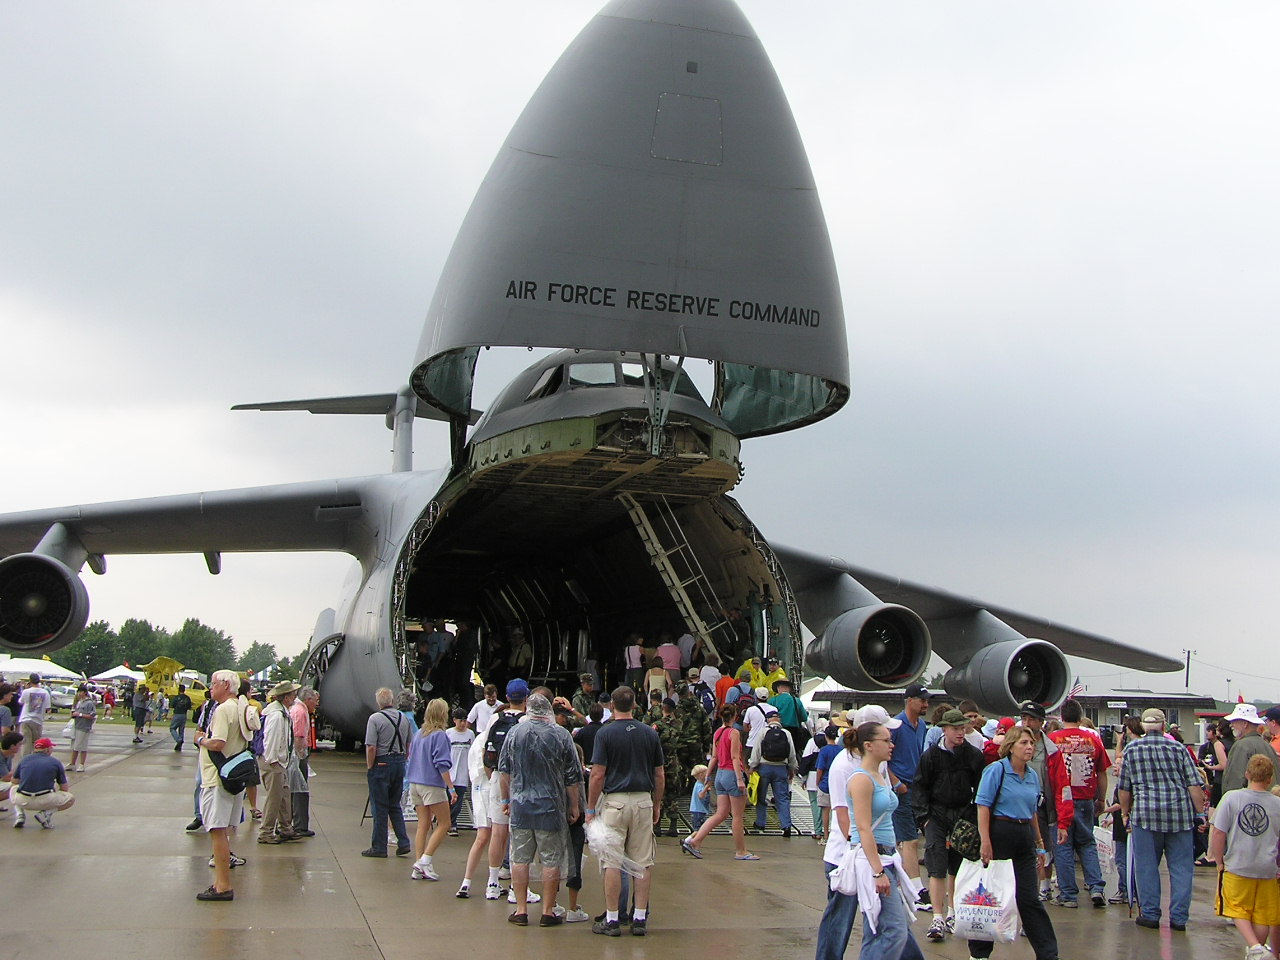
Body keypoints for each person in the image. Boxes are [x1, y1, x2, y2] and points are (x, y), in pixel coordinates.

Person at [967, 725, 1060, 960]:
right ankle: (979, 953)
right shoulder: (996, 770)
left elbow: (1032, 812)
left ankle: (1048, 954)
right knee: (991, 895)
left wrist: (1039, 843)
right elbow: (983, 806)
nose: (1029, 747)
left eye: (1031, 743)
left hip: (1023, 834)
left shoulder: (1032, 775)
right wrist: (985, 841)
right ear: (1010, 746)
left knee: (1029, 898)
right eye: (1023, 743)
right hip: (1000, 831)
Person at [1116, 707, 1207, 931]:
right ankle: (1179, 918)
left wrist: (1125, 814)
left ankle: (1150, 914)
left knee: (1146, 867)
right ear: (1164, 726)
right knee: (1181, 869)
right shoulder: (1179, 749)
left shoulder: (1131, 750)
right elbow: (1194, 785)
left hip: (1145, 816)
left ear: (1143, 727)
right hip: (1179, 816)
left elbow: (1124, 788)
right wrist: (1200, 814)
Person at [498, 693, 582, 926]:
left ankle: (521, 910)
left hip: (521, 804)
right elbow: (572, 776)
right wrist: (574, 805)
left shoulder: (515, 733)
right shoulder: (561, 735)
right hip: (551, 805)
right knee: (551, 859)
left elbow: (504, 770)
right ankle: (547, 911)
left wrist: (506, 800)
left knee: (520, 858)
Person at [588, 685, 665, 937]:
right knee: (643, 861)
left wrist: (590, 807)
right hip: (642, 800)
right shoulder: (649, 733)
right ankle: (639, 918)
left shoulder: (605, 733)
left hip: (615, 802)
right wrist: (656, 803)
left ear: (612, 705)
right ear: (634, 705)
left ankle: (612, 919)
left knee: (612, 861)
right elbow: (659, 774)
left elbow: (597, 774)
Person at [847, 720, 925, 960]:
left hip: (888, 857)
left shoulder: (880, 774)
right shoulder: (861, 779)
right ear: (868, 745)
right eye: (886, 740)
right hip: (874, 859)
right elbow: (863, 828)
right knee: (895, 930)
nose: (892, 745)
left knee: (885, 929)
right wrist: (878, 871)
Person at [912, 707, 985, 942]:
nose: (960, 733)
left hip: (963, 815)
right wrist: (924, 819)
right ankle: (937, 917)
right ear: (944, 729)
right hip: (936, 814)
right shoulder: (931, 756)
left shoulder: (973, 755)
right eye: (955, 729)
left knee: (957, 865)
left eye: (962, 728)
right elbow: (919, 787)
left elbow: (981, 790)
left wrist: (974, 818)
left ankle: (953, 913)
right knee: (936, 864)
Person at [192, 669, 255, 901]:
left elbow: (218, 743)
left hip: (217, 778)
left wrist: (200, 739)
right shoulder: (241, 707)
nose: (211, 687)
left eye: (214, 683)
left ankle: (223, 885)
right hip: (233, 777)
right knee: (224, 831)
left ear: (226, 685)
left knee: (217, 831)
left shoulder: (223, 710)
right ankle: (221, 882)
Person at [1210, 754, 1280, 959]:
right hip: (1267, 867)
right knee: (1262, 914)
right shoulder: (1277, 803)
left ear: (1247, 774)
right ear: (1270, 779)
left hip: (1238, 863)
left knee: (1237, 908)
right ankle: (1258, 950)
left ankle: (1255, 947)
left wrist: (1219, 860)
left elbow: (1219, 832)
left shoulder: (1232, 798)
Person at [1047, 698, 1111, 909]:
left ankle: (1068, 895)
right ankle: (1096, 887)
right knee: (1087, 843)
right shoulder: (1093, 739)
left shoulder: (1053, 740)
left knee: (1063, 846)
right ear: (1080, 716)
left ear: (1062, 716)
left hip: (1061, 799)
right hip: (1085, 798)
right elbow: (1102, 772)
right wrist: (1101, 798)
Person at [681, 703, 757, 860]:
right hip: (731, 774)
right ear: (735, 716)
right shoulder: (733, 733)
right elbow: (735, 757)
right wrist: (739, 779)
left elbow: (714, 757)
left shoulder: (718, 733)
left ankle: (695, 841)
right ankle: (741, 851)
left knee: (720, 814)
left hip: (720, 775)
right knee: (737, 816)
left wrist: (708, 775)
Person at [888, 682, 931, 910]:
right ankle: (916, 889)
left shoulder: (921, 725)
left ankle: (906, 883)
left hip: (916, 787)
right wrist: (896, 783)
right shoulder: (895, 726)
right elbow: (884, 758)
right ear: (909, 700)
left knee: (905, 839)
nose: (925, 705)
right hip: (901, 788)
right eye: (922, 700)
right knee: (910, 839)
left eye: (926, 701)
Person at [407, 698, 455, 881]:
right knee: (444, 823)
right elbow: (442, 764)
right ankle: (425, 861)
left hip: (415, 783)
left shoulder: (419, 734)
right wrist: (451, 788)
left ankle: (419, 863)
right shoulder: (439, 735)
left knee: (423, 824)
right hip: (432, 784)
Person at [362, 686, 413, 859]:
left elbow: (371, 747)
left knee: (379, 807)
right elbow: (408, 744)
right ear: (392, 701)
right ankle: (403, 842)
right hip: (399, 762)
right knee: (394, 805)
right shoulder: (403, 718)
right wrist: (402, 759)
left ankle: (379, 846)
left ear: (378, 702)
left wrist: (370, 767)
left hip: (382, 762)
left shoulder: (375, 719)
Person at [257, 680, 300, 844]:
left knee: (283, 796)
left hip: (278, 761)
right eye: (293, 694)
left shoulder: (280, 712)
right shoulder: (276, 716)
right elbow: (272, 740)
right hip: (273, 762)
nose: (295, 697)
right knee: (274, 798)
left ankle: (285, 828)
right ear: (286, 697)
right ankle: (266, 832)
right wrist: (273, 761)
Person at [749, 712, 798, 836]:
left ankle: (760, 823)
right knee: (782, 799)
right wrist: (792, 768)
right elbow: (792, 753)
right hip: (781, 768)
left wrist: (752, 766)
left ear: (768, 720)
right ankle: (786, 826)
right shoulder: (786, 733)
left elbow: (756, 751)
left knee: (761, 796)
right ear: (779, 720)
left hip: (764, 767)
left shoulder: (763, 732)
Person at [10, 735, 75, 829]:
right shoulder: (55, 762)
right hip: (45, 799)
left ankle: (20, 815)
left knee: (13, 788)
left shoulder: (24, 759)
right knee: (70, 798)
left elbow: (15, 781)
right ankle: (45, 814)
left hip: (23, 800)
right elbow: (64, 788)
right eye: (51, 747)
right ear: (47, 749)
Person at [1223, 703, 1280, 794]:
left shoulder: (1242, 745)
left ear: (1245, 724)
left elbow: (1235, 783)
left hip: (1248, 801)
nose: (1231, 725)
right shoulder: (1268, 746)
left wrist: (1229, 800)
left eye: (1234, 721)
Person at [289, 686, 318, 837]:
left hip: (294, 755)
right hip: (298, 755)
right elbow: (299, 736)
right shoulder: (301, 712)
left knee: (294, 789)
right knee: (300, 789)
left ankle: (292, 822)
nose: (316, 704)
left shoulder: (296, 709)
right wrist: (300, 756)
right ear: (308, 700)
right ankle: (300, 825)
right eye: (315, 701)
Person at [446, 706, 474, 836]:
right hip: (450, 771)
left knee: (459, 799)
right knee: (447, 798)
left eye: (464, 720)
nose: (463, 723)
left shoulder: (470, 734)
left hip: (463, 772)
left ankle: (452, 823)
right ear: (454, 720)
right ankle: (445, 821)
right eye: (460, 720)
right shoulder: (448, 733)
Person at [17, 674, 50, 759]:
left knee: (26, 743)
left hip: (25, 718)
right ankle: (35, 759)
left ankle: (25, 760)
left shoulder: (26, 691)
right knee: (36, 743)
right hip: (38, 720)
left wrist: (26, 688)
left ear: (30, 681)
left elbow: (20, 701)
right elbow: (48, 707)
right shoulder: (45, 693)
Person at [68, 683, 97, 772]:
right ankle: (72, 763)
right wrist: (73, 714)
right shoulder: (79, 702)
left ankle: (81, 764)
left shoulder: (89, 703)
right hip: (77, 725)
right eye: (78, 692)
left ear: (85, 692)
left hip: (84, 727)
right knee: (74, 746)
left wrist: (80, 715)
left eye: (81, 692)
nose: (79, 694)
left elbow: (92, 716)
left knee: (82, 746)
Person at [170, 684, 193, 752]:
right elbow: (189, 707)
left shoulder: (176, 697)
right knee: (181, 730)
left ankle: (178, 740)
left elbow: (172, 705)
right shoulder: (187, 698)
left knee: (172, 728)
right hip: (184, 714)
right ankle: (180, 745)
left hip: (177, 713)